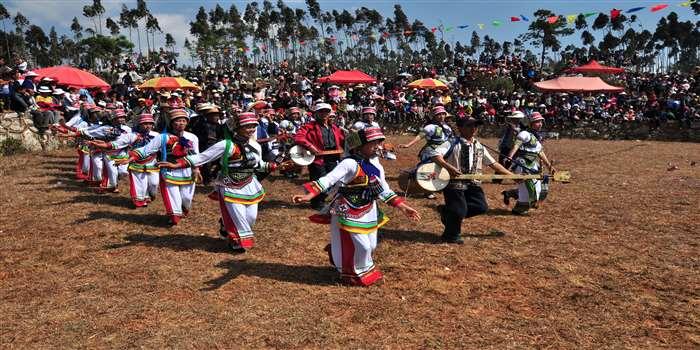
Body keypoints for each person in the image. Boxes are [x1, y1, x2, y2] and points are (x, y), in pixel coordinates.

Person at [292, 127, 421, 286]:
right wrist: (309, 195)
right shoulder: (349, 163)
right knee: (364, 246)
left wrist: (403, 207)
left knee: (372, 245)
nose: (377, 147)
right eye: (372, 143)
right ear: (358, 146)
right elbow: (328, 179)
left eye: (378, 143)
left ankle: (347, 260)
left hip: (369, 209)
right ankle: (350, 273)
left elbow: (383, 190)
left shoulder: (376, 166)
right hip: (348, 208)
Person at [158, 112, 277, 253]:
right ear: (237, 128)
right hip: (229, 184)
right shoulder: (225, 145)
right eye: (247, 126)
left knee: (251, 218)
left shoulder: (255, 145)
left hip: (250, 184)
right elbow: (203, 157)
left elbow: (258, 164)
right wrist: (177, 164)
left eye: (253, 126)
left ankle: (225, 226)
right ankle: (236, 242)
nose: (251, 130)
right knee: (238, 218)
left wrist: (271, 166)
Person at [430, 117, 514, 244]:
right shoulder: (452, 142)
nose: (473, 128)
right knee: (459, 211)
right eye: (469, 125)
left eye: (475, 126)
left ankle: (447, 213)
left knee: (481, 207)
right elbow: (435, 156)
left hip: (474, 183)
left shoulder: (479, 146)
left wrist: (512, 175)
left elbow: (493, 163)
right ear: (460, 128)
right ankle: (451, 235)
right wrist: (449, 167)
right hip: (454, 183)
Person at [116, 108, 200, 225]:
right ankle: (174, 215)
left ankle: (182, 210)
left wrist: (196, 168)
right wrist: (131, 158)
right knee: (173, 200)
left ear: (187, 122)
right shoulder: (163, 137)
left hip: (187, 172)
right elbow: (147, 149)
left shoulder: (193, 137)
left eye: (183, 121)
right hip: (169, 172)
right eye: (177, 121)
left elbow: (197, 155)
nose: (181, 123)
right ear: (171, 123)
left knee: (186, 199)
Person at [88, 113, 160, 207]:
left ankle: (151, 194)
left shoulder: (157, 135)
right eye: (145, 123)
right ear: (139, 125)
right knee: (140, 184)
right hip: (136, 163)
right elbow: (117, 144)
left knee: (154, 183)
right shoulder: (132, 135)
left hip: (152, 163)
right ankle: (141, 200)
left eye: (150, 123)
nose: (148, 126)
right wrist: (101, 145)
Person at [294, 102, 345, 210]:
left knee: (333, 179)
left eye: (326, 111)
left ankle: (323, 197)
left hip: (333, 157)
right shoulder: (309, 127)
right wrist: (310, 146)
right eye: (321, 111)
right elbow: (299, 138)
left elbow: (343, 140)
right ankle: (317, 202)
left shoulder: (335, 127)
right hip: (318, 159)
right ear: (316, 114)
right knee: (318, 179)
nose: (324, 113)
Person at [503, 112, 556, 215]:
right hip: (522, 164)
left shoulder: (536, 137)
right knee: (529, 186)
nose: (540, 124)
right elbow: (516, 145)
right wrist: (509, 157)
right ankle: (524, 206)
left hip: (532, 164)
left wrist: (549, 166)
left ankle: (514, 199)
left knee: (540, 186)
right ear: (530, 123)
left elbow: (540, 152)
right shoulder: (524, 134)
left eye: (540, 121)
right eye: (537, 122)